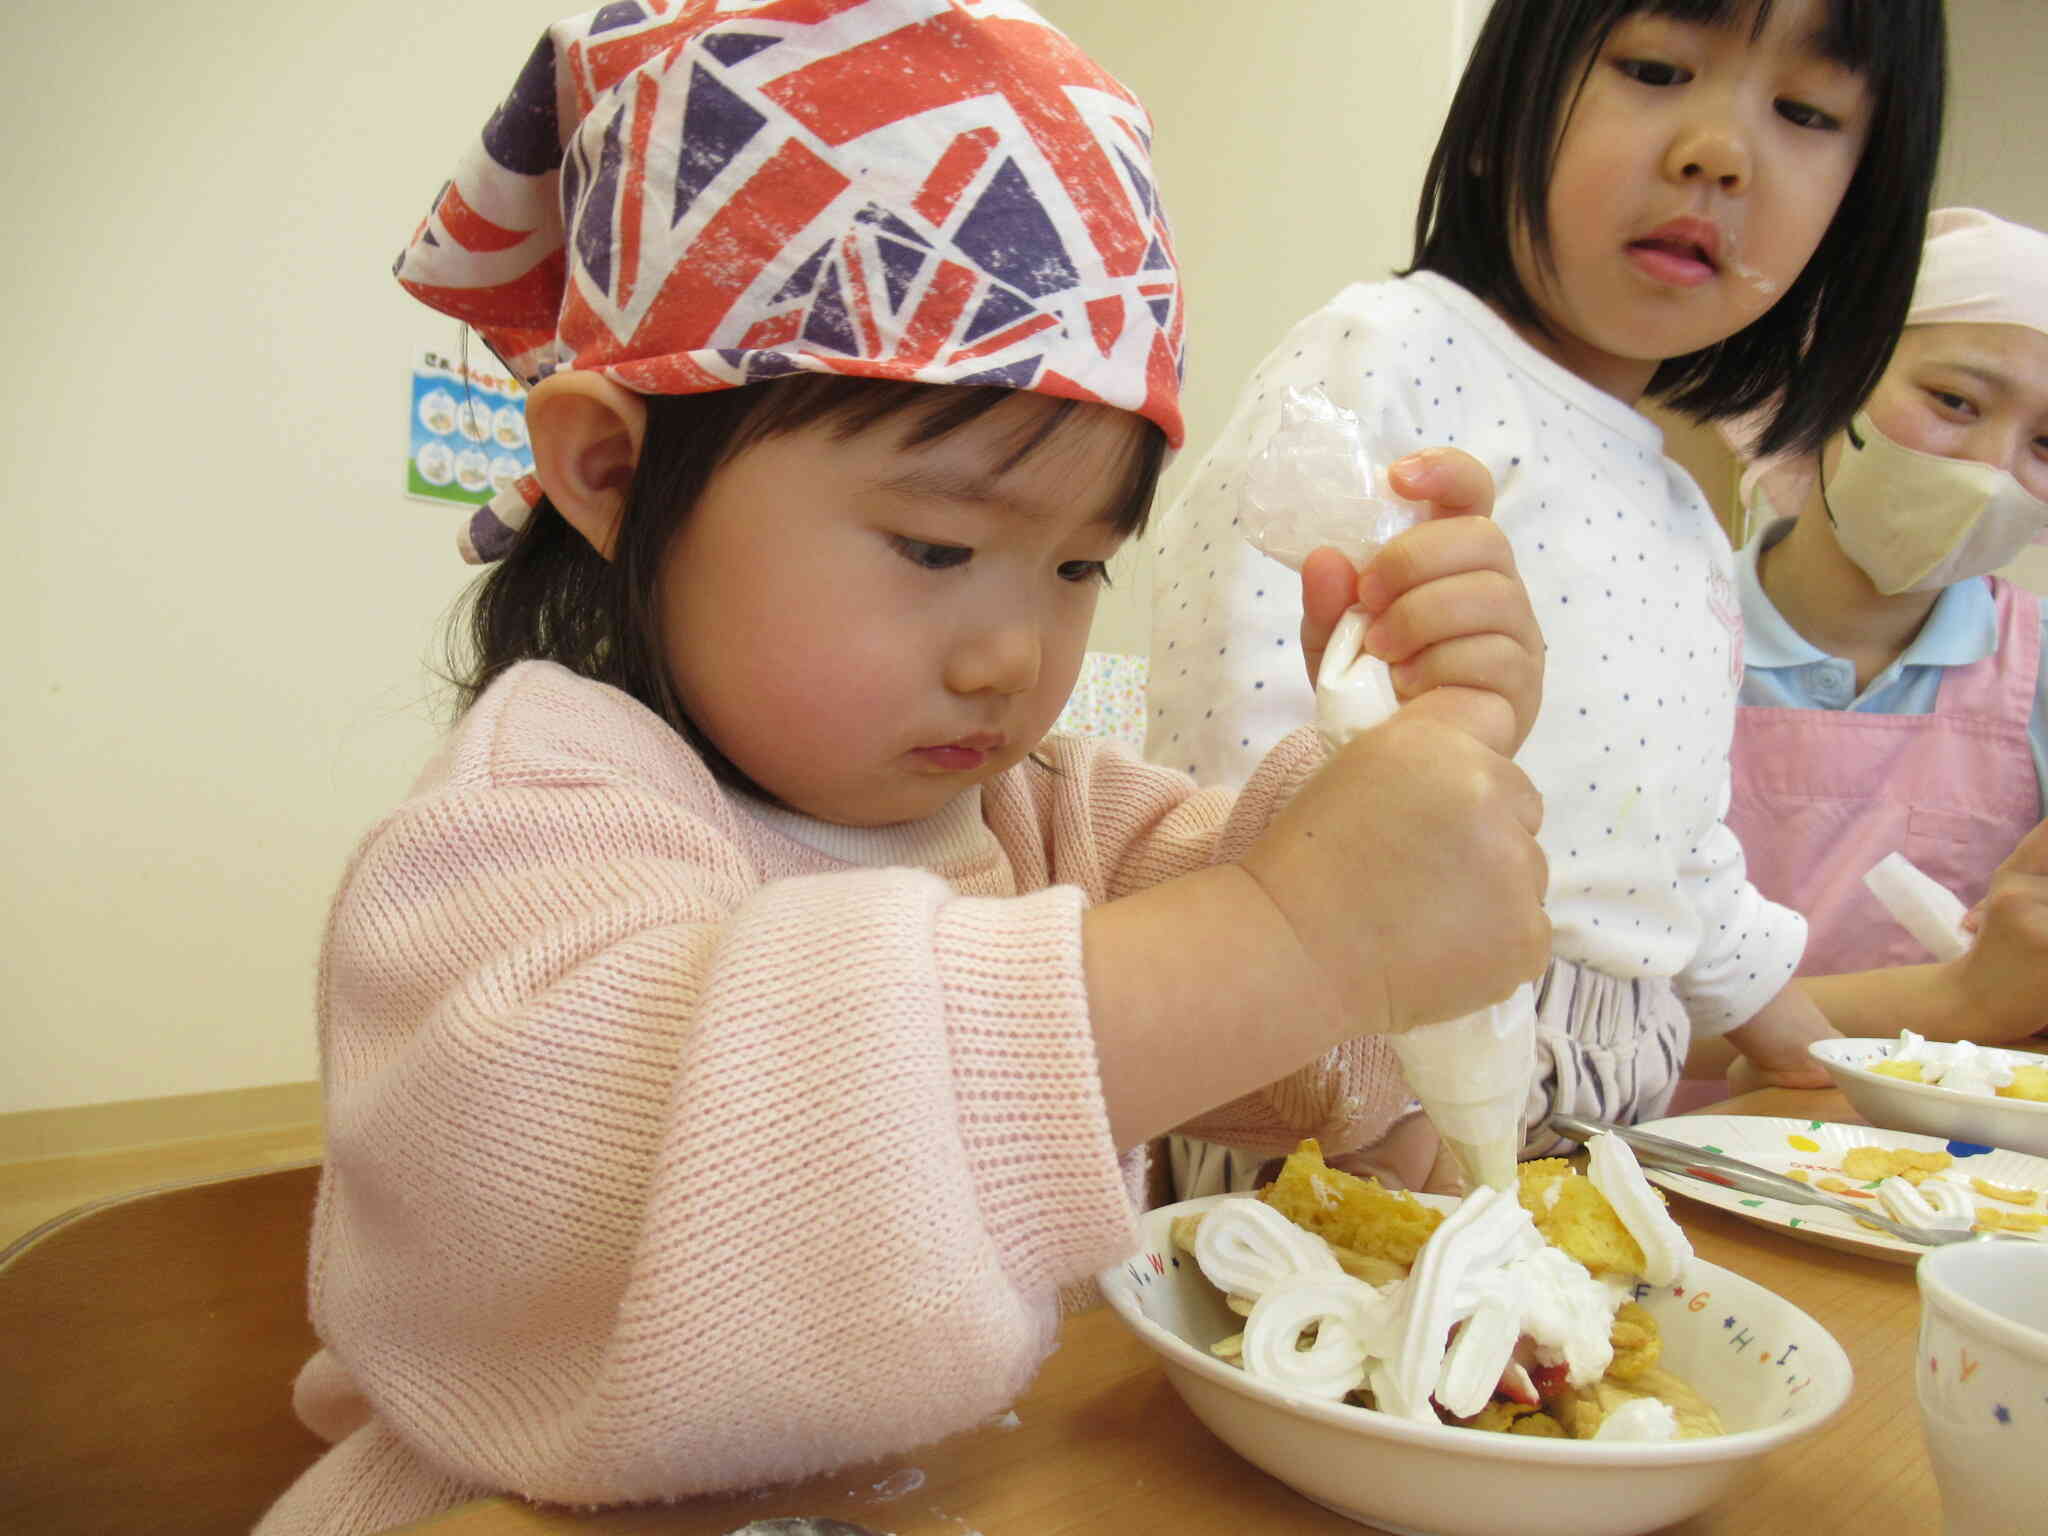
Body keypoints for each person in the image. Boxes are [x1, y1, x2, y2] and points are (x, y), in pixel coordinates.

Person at [256, 5, 1552, 1532]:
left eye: (1077, 567)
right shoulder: (526, 831)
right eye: (935, 546)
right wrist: (1291, 932)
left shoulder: (1040, 808)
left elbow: (1284, 1031)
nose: (1011, 653)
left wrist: (1393, 784)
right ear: (607, 472)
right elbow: (634, 1169)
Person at [1146, 0, 1949, 1178]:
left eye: (1803, 113)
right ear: (1500, 112)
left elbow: (1669, 842)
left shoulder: (1679, 508)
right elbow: (1237, 732)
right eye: (1655, 68)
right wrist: (1378, 1096)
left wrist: (1801, 1047)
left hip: (1611, 1101)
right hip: (1361, 1074)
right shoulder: (1390, 353)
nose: (1716, 152)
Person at [1724, 207, 2048, 1042]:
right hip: (1613, 1157)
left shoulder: (2039, 675)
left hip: (1933, 1168)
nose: (1989, 473)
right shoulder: (1655, 638)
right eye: (1954, 400)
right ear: (1834, 371)